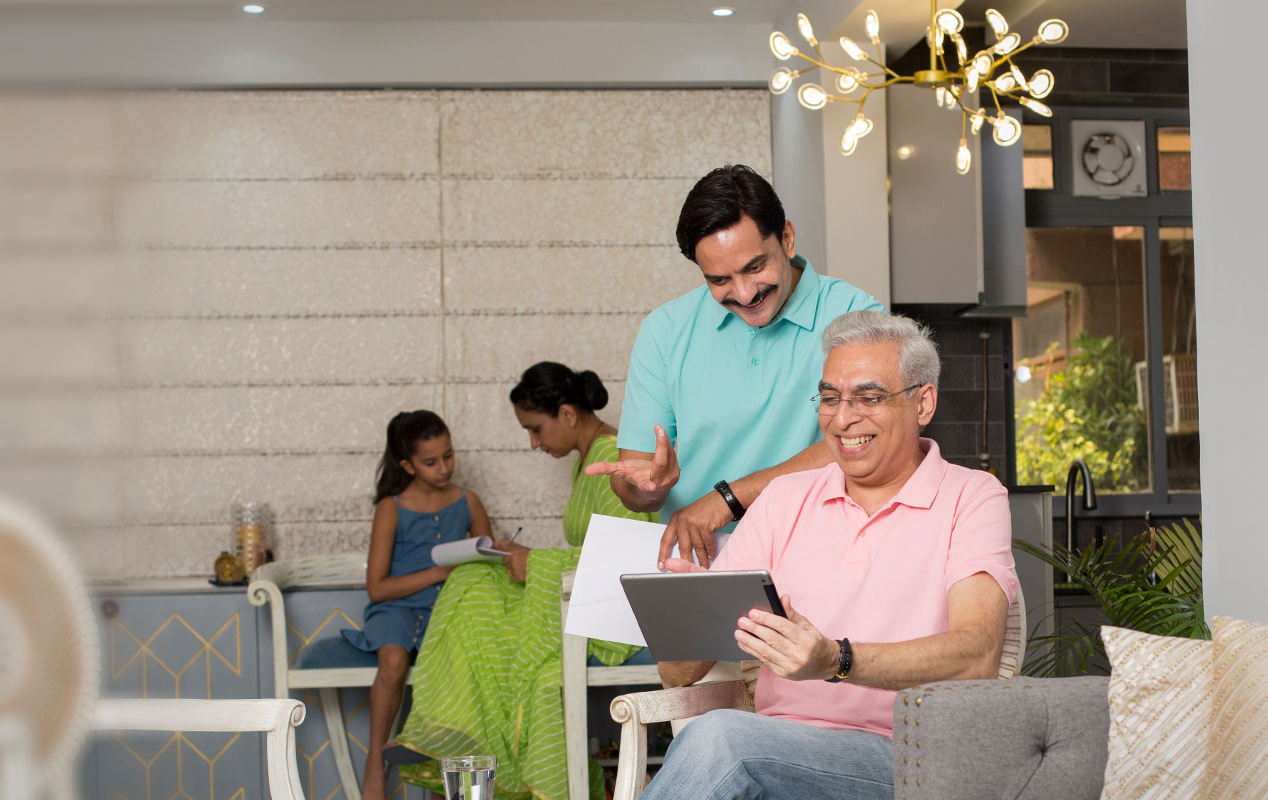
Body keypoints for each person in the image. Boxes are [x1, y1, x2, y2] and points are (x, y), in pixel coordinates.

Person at [641, 310, 1017, 800]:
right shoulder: (784, 498)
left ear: (923, 403)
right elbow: (677, 677)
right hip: (775, 747)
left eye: (869, 397)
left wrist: (835, 660)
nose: (842, 419)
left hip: (909, 756)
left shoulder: (973, 496)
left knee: (721, 740)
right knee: (722, 743)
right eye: (830, 398)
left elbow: (979, 655)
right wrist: (685, 611)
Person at [588, 165, 884, 570]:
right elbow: (633, 479)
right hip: (698, 562)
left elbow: (870, 440)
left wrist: (729, 499)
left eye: (755, 267)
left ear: (787, 238)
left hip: (825, 560)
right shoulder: (664, 331)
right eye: (719, 280)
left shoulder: (856, 315)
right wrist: (647, 487)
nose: (744, 294)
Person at [392, 363, 657, 799]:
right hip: (580, 595)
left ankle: (461, 742)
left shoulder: (613, 462)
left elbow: (627, 559)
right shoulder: (588, 460)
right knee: (474, 580)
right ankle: (452, 737)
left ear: (568, 415)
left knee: (475, 602)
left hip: (614, 613)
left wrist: (536, 562)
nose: (534, 443)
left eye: (536, 429)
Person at [351, 410, 492, 800]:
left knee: (455, 670)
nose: (444, 468)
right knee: (393, 662)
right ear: (407, 465)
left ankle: (443, 780)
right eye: (431, 462)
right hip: (394, 610)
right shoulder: (391, 507)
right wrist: (438, 572)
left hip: (447, 612)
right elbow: (377, 589)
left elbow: (487, 567)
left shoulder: (467, 500)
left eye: (448, 456)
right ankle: (373, 765)